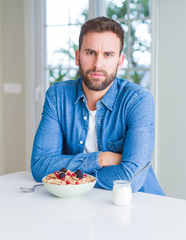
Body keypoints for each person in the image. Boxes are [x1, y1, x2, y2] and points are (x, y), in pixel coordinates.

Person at [31, 16, 164, 195]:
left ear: (120, 61)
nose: (97, 65)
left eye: (108, 55)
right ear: (78, 56)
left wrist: (70, 175)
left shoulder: (138, 100)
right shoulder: (58, 96)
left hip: (137, 204)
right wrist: (101, 159)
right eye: (90, 53)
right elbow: (40, 166)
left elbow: (131, 179)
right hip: (81, 204)